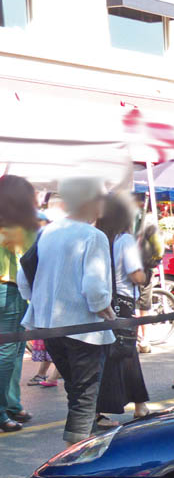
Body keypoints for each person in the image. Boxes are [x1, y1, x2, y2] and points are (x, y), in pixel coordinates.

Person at [17, 176, 115, 444]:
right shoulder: (93, 235)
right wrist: (104, 308)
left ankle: (82, 446)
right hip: (83, 325)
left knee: (75, 390)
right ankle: (76, 453)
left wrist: (37, 301)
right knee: (85, 394)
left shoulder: (48, 231)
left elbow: (24, 273)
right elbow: (94, 286)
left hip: (49, 325)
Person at [95, 193, 150, 421]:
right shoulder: (124, 240)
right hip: (122, 303)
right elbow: (135, 274)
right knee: (126, 352)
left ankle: (136, 405)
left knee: (106, 355)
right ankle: (138, 406)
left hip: (100, 301)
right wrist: (145, 276)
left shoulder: (97, 237)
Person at [0, 175, 39, 431]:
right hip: (10, 291)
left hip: (12, 291)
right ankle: (4, 409)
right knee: (9, 354)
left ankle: (12, 404)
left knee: (12, 352)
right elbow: (30, 259)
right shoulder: (19, 226)